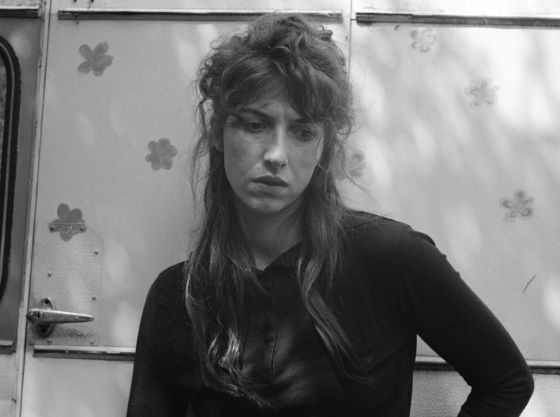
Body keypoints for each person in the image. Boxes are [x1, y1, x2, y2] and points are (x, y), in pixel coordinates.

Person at [126, 14, 534, 417]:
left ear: (323, 147)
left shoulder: (392, 258)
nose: (276, 155)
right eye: (254, 125)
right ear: (219, 132)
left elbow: (506, 381)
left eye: (302, 132)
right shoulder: (177, 294)